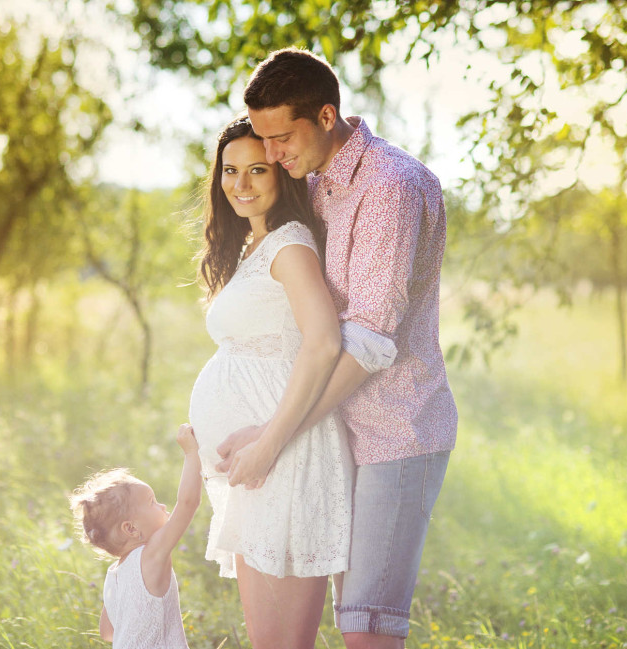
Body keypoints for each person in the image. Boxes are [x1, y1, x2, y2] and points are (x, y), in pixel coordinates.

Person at [217, 47, 459, 648]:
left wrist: (277, 433)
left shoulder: (390, 187)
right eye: (263, 140)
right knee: (343, 621)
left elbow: (370, 341)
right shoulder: (319, 181)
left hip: (393, 434)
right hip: (334, 436)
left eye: (281, 137)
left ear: (327, 116)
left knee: (367, 631)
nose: (271, 154)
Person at [187, 116, 355, 649]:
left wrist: (265, 442)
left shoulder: (289, 245)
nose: (241, 183)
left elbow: (325, 340)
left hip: (284, 457)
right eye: (230, 171)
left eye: (257, 169)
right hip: (260, 463)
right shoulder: (253, 248)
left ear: (282, 172)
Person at [69, 424, 201, 649]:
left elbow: (108, 632)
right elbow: (188, 504)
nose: (163, 506)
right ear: (131, 529)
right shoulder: (150, 556)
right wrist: (191, 453)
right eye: (152, 502)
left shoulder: (114, 576)